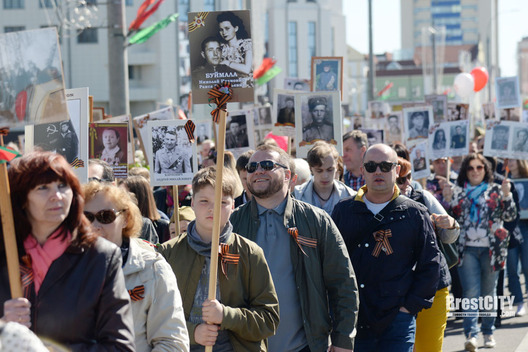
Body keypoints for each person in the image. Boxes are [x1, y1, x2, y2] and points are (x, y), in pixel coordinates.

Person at [0, 151, 135, 350]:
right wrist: (4, 330)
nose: (57, 196)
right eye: (43, 188)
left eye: (63, 186)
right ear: (22, 198)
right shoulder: (5, 255)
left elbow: (120, 347)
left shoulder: (100, 257)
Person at [230, 144, 359, 352]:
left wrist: (343, 340)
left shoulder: (316, 221)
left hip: (306, 346)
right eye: (252, 167)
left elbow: (343, 284)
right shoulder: (231, 224)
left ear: (288, 175)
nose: (258, 171)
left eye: (267, 165)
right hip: (246, 346)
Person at [331, 144, 441, 352]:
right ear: (362, 171)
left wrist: (408, 308)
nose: (378, 171)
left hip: (397, 321)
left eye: (385, 166)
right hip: (353, 320)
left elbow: (431, 264)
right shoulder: (343, 211)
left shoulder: (414, 213)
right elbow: (330, 264)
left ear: (397, 170)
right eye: (371, 166)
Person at [158, 167, 280, 351]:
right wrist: (193, 332)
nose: (212, 209)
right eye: (204, 201)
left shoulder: (250, 253)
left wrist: (226, 315)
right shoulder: (168, 253)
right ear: (192, 203)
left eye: (222, 202)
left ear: (233, 206)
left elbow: (268, 320)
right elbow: (156, 315)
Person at [83, 182, 190, 351]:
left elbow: (172, 343)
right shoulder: (67, 268)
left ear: (126, 218)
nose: (95, 225)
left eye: (105, 216)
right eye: (87, 217)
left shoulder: (153, 269)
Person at [443, 153, 516, 350]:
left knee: (489, 293)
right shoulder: (457, 191)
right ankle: (471, 335)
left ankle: (488, 332)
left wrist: (508, 194)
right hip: (467, 250)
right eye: (471, 168)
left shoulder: (496, 189)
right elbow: (449, 223)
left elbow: (510, 216)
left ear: (486, 170)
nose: (475, 171)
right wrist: (448, 201)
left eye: (479, 167)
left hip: (493, 250)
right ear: (465, 171)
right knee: (470, 292)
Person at [396, 157, 459, 352]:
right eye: (400, 179)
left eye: (408, 177)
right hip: (396, 291)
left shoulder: (423, 196)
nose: (406, 183)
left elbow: (451, 236)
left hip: (432, 286)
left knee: (428, 348)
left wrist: (450, 224)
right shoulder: (374, 205)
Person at [294, 141, 355, 214]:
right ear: (311, 169)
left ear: (336, 166)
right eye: (319, 171)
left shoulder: (349, 195)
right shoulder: (297, 195)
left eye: (330, 170)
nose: (325, 176)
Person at [504, 159, 528, 317]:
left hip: (526, 227)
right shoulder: (503, 182)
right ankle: (519, 302)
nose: (510, 162)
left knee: (527, 265)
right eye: (508, 160)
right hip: (510, 228)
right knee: (512, 267)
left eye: (513, 159)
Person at [120, 176, 171, 243]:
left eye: (123, 194)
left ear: (137, 197)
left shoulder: (162, 226)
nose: (119, 198)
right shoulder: (119, 223)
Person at [217, 11, 253, 87]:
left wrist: (228, 63)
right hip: (229, 90)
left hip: (247, 89)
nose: (224, 32)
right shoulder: (221, 48)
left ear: (236, 28)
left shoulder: (247, 44)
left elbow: (247, 69)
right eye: (221, 30)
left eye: (227, 28)